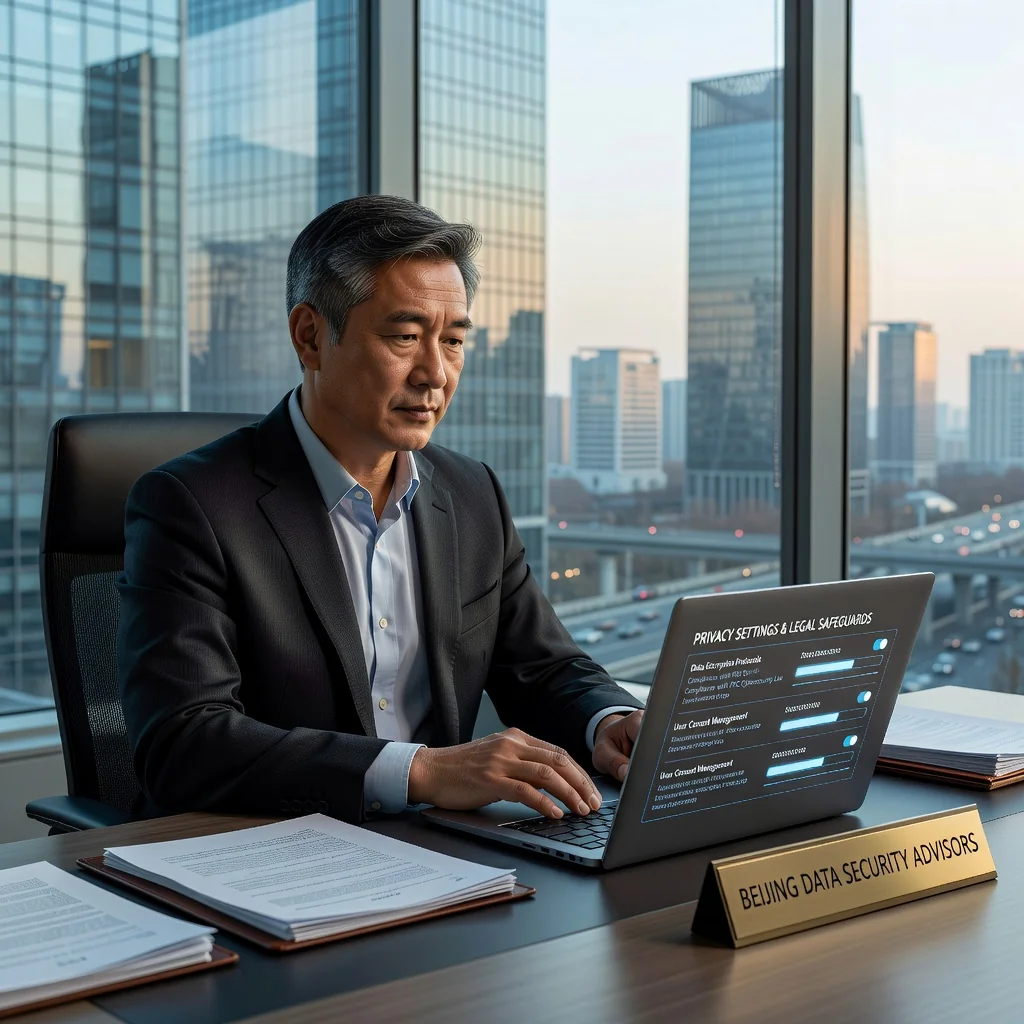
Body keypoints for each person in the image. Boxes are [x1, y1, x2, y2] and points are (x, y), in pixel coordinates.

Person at [117, 195, 645, 824]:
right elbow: (183, 744)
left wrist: (606, 721)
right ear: (310, 337)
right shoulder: (193, 505)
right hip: (270, 854)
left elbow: (544, 666)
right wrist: (420, 771)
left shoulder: (472, 493)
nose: (435, 374)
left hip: (449, 852)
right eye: (404, 337)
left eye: (452, 341)